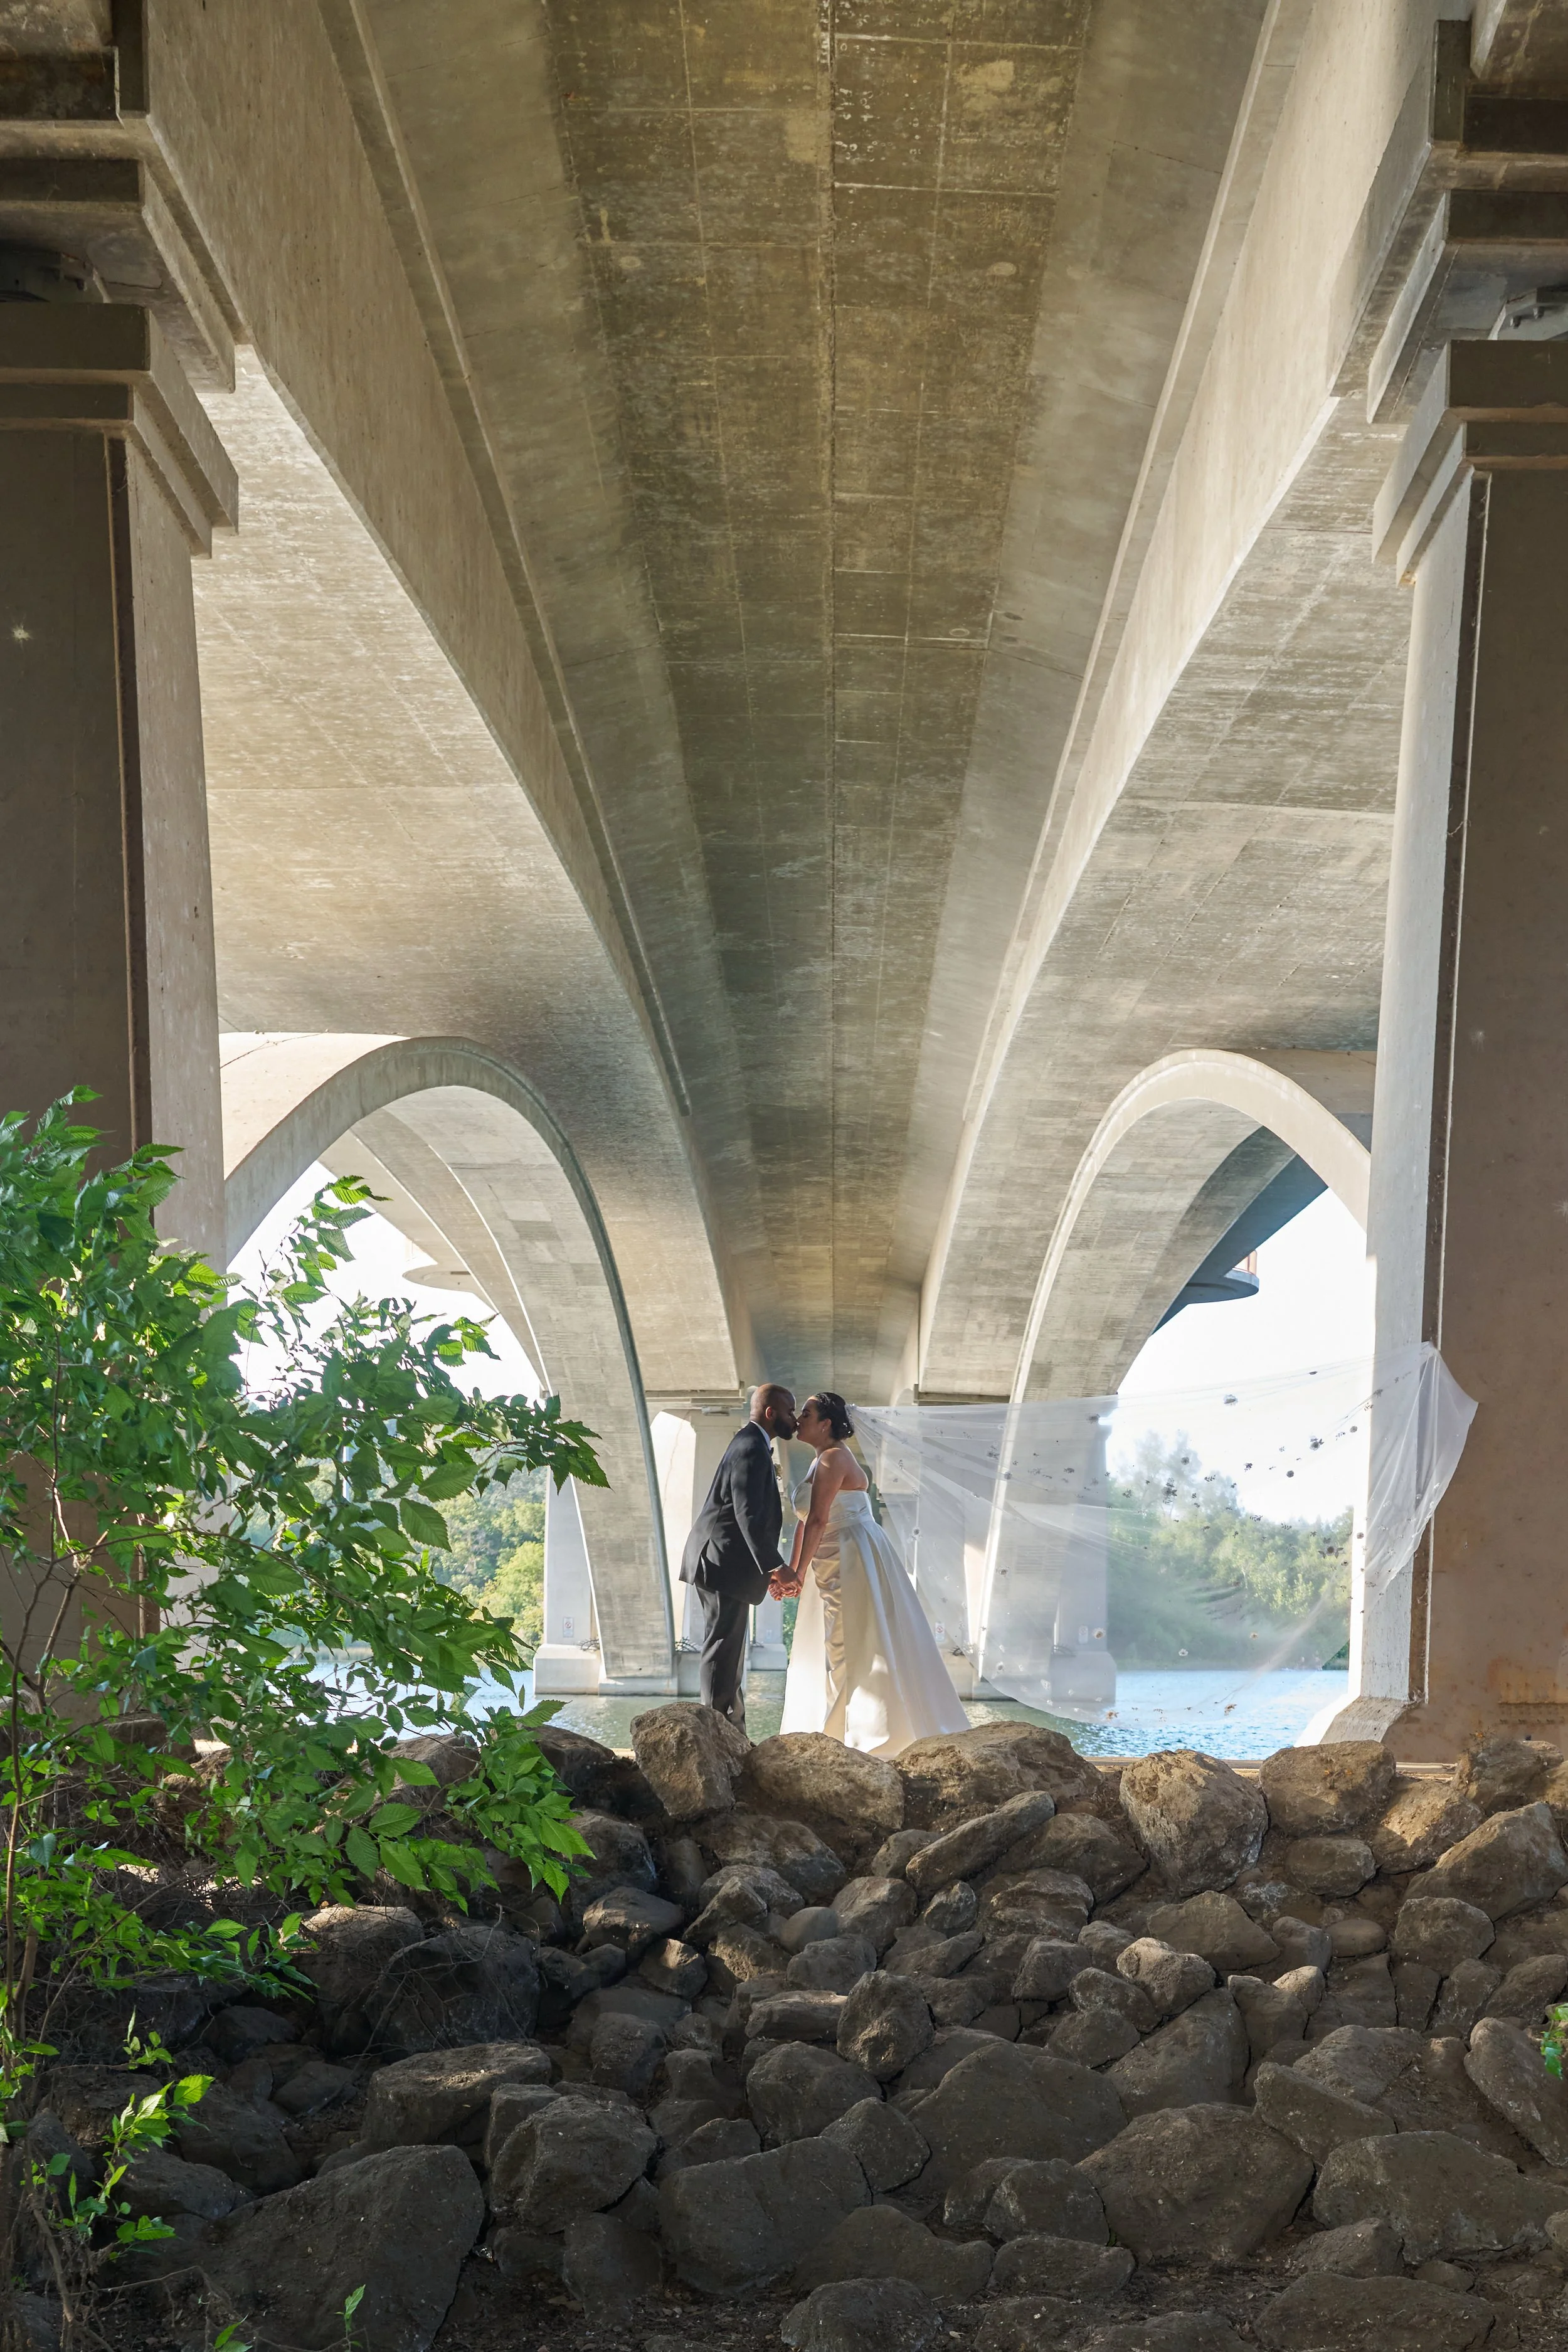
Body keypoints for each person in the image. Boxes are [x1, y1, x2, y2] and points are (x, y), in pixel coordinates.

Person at [776, 1391, 968, 1756]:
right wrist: (794, 1570)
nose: (799, 1419)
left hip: (850, 1556)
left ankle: (865, 1735)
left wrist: (796, 1573)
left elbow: (818, 1519)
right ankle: (841, 1728)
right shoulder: (820, 1461)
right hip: (832, 1556)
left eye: (807, 1413)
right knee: (839, 1643)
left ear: (826, 1423)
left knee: (852, 1641)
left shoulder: (834, 1459)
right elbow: (805, 1524)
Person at [679, 1383, 798, 1727]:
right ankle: (713, 1728)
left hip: (725, 1561)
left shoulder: (753, 1444)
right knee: (721, 1647)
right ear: (771, 1412)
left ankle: (733, 1725)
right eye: (790, 1411)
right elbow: (747, 1515)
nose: (794, 1419)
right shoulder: (750, 1447)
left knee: (730, 1650)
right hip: (720, 1561)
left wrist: (769, 1567)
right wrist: (776, 1565)